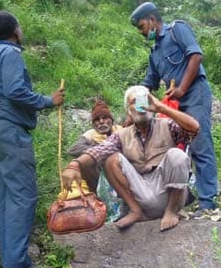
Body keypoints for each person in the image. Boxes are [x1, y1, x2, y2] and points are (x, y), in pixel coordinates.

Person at [0, 10, 65, 268]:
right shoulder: (11, 55)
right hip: (11, 132)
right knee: (23, 196)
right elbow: (16, 91)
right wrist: (48, 101)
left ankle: (11, 261)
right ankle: (17, 263)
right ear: (16, 30)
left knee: (6, 197)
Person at [62, 86, 199, 232]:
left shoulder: (167, 125)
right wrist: (74, 165)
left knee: (177, 155)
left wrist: (161, 108)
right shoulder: (121, 135)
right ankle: (136, 211)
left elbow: (194, 128)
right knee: (110, 158)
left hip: (170, 193)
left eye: (145, 100)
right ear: (129, 110)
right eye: (135, 102)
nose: (142, 105)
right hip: (142, 194)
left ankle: (171, 211)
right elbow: (99, 151)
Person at [129, 1, 218, 216]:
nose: (141, 32)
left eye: (141, 26)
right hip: (175, 103)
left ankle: (208, 203)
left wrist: (182, 88)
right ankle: (185, 198)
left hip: (195, 92)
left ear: (152, 19)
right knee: (176, 148)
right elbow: (148, 84)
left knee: (200, 143)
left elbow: (196, 56)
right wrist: (131, 113)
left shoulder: (177, 29)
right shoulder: (154, 53)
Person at [67, 99, 121, 193]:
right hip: (99, 175)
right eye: (97, 119)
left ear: (112, 121)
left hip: (121, 172)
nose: (101, 121)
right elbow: (73, 149)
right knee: (84, 164)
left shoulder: (121, 131)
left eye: (105, 118)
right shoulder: (91, 134)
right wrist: (99, 149)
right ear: (93, 124)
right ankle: (97, 193)